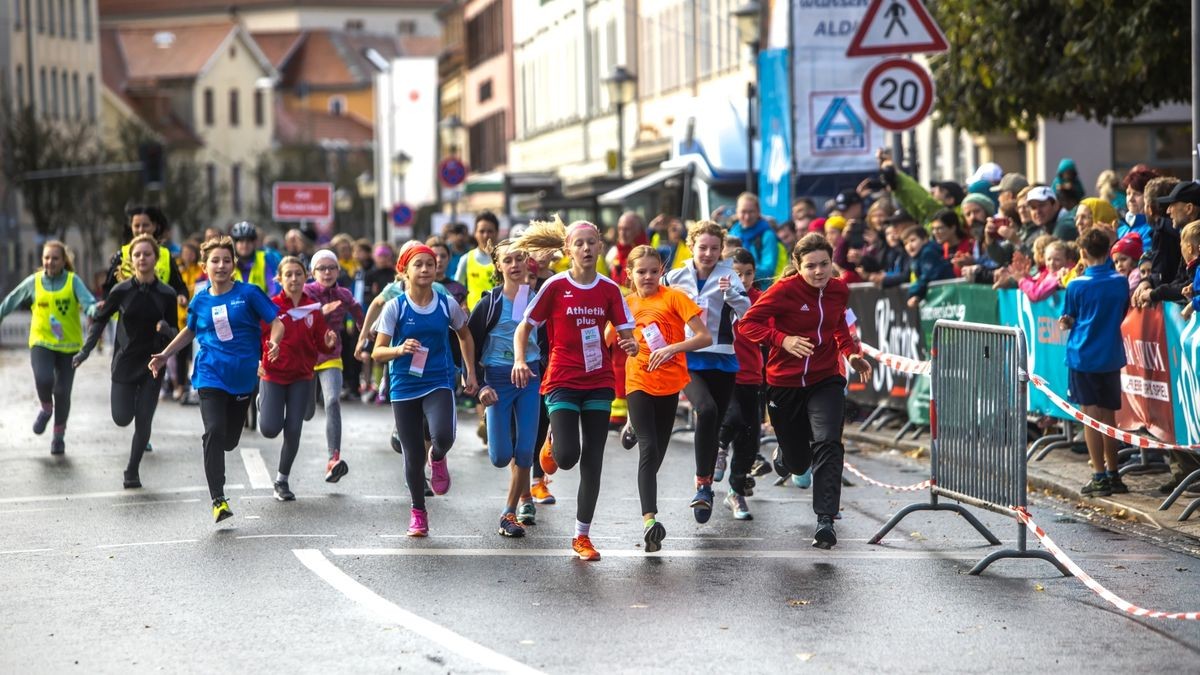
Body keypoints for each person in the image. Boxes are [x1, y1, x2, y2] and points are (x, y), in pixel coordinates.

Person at [511, 217, 638, 561]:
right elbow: (524, 327)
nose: (585, 249)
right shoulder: (554, 286)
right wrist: (520, 360)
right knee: (567, 458)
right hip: (563, 380)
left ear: (600, 247)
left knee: (593, 462)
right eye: (579, 243)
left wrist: (631, 346)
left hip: (598, 382)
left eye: (591, 243)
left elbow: (628, 333)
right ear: (567, 250)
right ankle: (553, 441)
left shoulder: (610, 289)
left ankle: (582, 536)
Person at [739, 233, 872, 549]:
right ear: (797, 265)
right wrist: (781, 339)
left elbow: (838, 323)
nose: (818, 272)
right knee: (799, 463)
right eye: (810, 266)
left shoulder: (839, 290)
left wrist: (850, 352)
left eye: (824, 264)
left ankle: (825, 520)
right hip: (784, 383)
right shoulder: (783, 291)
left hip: (825, 378)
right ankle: (786, 455)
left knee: (828, 442)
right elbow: (747, 324)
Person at [148, 236, 285, 523]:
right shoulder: (200, 299)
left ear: (234, 264)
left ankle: (250, 404)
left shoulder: (249, 294)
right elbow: (190, 331)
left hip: (243, 376)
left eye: (226, 260)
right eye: (215, 260)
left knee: (229, 440)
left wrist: (273, 341)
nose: (221, 265)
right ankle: (218, 500)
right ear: (204, 266)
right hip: (210, 373)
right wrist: (164, 354)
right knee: (213, 431)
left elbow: (276, 321)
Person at [373, 243, 478, 537]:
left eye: (429, 265)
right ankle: (418, 512)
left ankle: (439, 456)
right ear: (404, 271)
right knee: (412, 454)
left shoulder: (445, 303)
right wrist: (399, 349)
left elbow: (464, 335)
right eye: (418, 265)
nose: (425, 270)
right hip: (404, 386)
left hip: (438, 380)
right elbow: (377, 352)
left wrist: (469, 371)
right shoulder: (396, 307)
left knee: (442, 436)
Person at [621, 245, 712, 552]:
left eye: (653, 270)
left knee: (656, 454)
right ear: (629, 273)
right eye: (640, 271)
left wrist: (673, 348)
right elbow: (613, 336)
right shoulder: (625, 304)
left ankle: (632, 425)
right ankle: (650, 522)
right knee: (648, 449)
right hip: (638, 381)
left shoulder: (674, 297)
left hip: (670, 383)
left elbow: (705, 337)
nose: (647, 276)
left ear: (662, 271)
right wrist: (628, 344)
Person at [662, 220, 751, 522]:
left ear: (721, 250)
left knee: (718, 425)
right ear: (691, 247)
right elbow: (659, 308)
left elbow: (747, 314)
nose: (709, 253)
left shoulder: (729, 277)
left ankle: (707, 490)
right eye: (703, 247)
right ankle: (702, 485)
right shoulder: (676, 276)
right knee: (707, 410)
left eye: (715, 248)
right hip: (689, 357)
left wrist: (732, 297)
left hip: (723, 359)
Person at [74, 234, 179, 487]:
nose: (142, 258)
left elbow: (177, 333)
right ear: (131, 260)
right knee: (122, 418)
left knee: (144, 420)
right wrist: (85, 351)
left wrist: (165, 329)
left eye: (147, 254)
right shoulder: (121, 291)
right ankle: (132, 399)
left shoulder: (167, 293)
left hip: (154, 363)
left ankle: (132, 470)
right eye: (137, 254)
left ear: (155, 258)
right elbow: (99, 320)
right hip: (124, 362)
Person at [468, 240, 543, 537]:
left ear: (527, 263)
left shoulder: (535, 298)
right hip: (497, 381)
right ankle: (517, 497)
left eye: (519, 259)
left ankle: (509, 512)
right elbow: (467, 342)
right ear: (498, 266)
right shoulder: (490, 303)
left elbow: (549, 341)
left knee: (525, 451)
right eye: (508, 260)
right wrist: (478, 384)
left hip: (530, 378)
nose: (514, 265)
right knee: (501, 456)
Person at [0, 241, 100, 454]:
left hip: (69, 345)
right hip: (41, 341)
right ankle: (46, 407)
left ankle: (58, 435)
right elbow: (11, 300)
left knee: (63, 392)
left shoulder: (73, 281)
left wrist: (93, 309)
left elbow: (88, 303)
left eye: (55, 258)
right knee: (44, 379)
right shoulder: (34, 282)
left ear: (64, 260)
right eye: (46, 257)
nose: (50, 262)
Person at [258, 256, 338, 501]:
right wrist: (260, 358)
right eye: (288, 275)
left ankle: (281, 480)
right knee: (270, 429)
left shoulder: (312, 308)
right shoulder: (270, 306)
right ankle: (262, 402)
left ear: (306, 277)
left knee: (294, 429)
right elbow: (256, 336)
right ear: (279, 279)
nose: (294, 279)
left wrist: (327, 341)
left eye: (298, 274)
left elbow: (320, 339)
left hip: (302, 376)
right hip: (274, 375)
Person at [1058, 228, 1130, 497]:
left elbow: (1069, 317)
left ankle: (1099, 475)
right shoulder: (1120, 281)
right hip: (1110, 354)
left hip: (1083, 355)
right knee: (1109, 417)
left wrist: (1066, 322)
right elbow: (1122, 311)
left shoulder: (1076, 284)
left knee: (1089, 418)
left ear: (1083, 252)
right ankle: (1114, 474)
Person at [304, 249, 365, 483]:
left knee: (332, 401)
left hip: (331, 355)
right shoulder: (306, 292)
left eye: (331, 268)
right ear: (312, 272)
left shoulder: (344, 294)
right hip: (305, 357)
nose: (327, 272)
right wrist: (319, 312)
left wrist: (366, 339)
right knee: (306, 413)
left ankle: (333, 459)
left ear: (338, 271)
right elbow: (291, 316)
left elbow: (362, 317)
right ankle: (270, 399)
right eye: (322, 268)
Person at [714, 247, 763, 519]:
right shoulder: (717, 298)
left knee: (750, 438)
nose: (743, 280)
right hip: (725, 371)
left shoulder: (760, 299)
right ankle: (719, 447)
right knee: (731, 418)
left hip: (752, 374)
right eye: (737, 274)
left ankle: (736, 492)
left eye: (748, 274)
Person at [728, 193, 780, 288]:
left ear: (758, 212)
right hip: (734, 289)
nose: (747, 216)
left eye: (751, 212)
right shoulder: (732, 234)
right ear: (737, 212)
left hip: (759, 291)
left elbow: (768, 271)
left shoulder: (767, 235)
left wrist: (743, 269)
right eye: (743, 212)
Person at [456, 211, 501, 311]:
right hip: (474, 317)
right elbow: (456, 290)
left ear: (497, 233)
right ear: (475, 233)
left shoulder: (504, 259)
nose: (486, 235)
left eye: (490, 231)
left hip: (499, 316)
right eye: (482, 231)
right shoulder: (466, 259)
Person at [902, 225, 955, 308]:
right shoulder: (917, 257)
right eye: (905, 243)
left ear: (925, 239)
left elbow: (927, 276)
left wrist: (913, 293)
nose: (909, 245)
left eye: (912, 240)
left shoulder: (928, 253)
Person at [229, 221, 282, 295]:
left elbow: (275, 288)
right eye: (241, 241)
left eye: (249, 241)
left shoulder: (265, 258)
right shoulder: (228, 261)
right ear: (235, 244)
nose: (245, 244)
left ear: (254, 243)